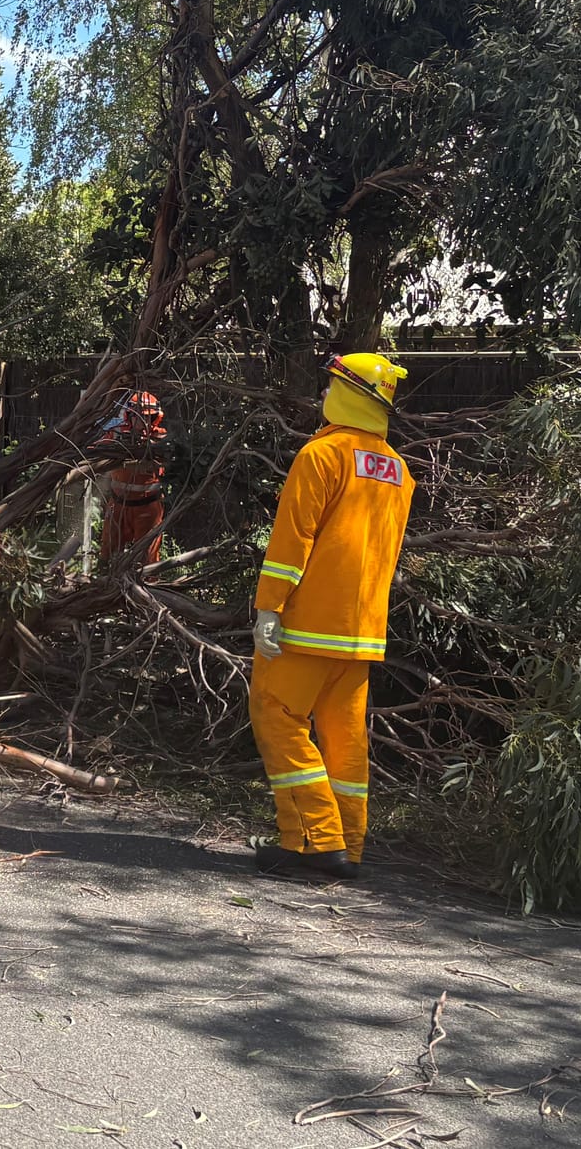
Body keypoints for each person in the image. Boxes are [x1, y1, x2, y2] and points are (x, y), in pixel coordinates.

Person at [249, 353, 414, 880]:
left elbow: (292, 539)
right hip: (362, 632)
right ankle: (349, 845)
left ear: (348, 394)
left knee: (277, 716)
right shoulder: (399, 471)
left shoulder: (322, 456)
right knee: (345, 738)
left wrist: (269, 606)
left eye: (331, 386)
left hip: (307, 625)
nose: (323, 396)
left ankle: (316, 840)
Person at [98, 390, 166, 564]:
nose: (142, 421)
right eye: (138, 416)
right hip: (118, 505)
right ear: (130, 416)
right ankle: (105, 586)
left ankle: (148, 588)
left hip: (148, 508)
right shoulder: (116, 435)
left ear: (155, 418)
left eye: (148, 417)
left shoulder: (160, 439)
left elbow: (171, 463)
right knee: (108, 553)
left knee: (148, 558)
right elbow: (97, 452)